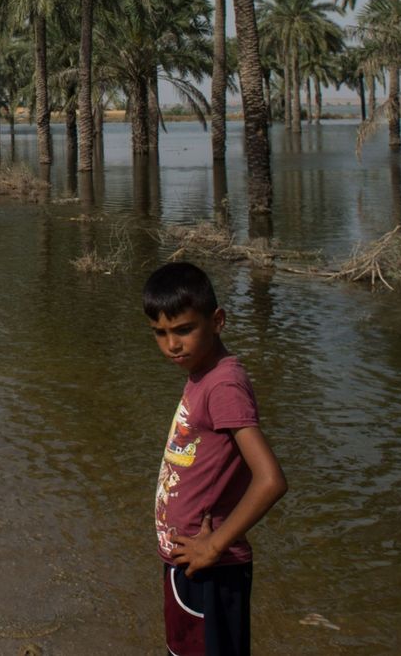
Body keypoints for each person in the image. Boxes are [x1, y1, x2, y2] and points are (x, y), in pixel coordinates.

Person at [145, 261, 286, 656]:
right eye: (160, 333)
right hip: (189, 561)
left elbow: (270, 479)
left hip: (212, 567)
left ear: (217, 320)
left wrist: (215, 544)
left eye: (184, 330)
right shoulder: (201, 374)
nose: (172, 344)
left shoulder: (223, 384)